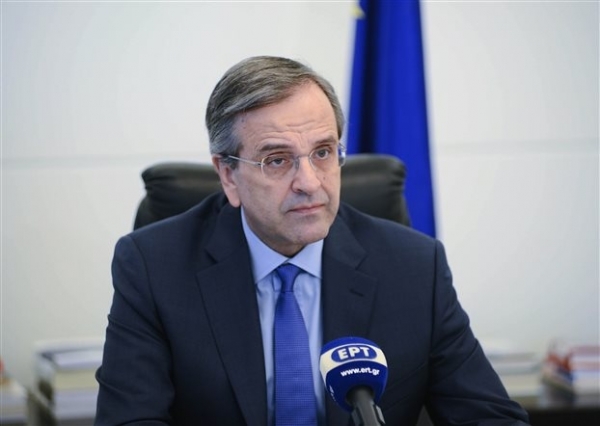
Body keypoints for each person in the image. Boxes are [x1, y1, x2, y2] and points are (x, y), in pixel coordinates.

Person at [95, 56, 530, 426]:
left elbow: (490, 417)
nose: (309, 182)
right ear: (228, 175)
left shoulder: (415, 267)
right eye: (277, 160)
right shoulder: (153, 267)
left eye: (323, 152)